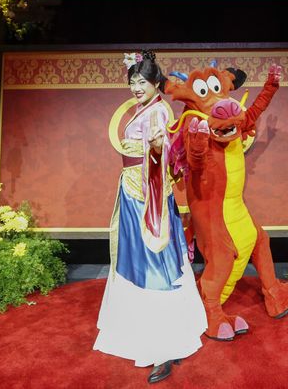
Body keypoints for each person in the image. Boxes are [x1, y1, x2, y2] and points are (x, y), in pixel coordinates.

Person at [94, 50, 206, 384]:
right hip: (134, 192)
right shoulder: (145, 108)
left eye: (142, 82)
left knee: (152, 263)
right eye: (133, 82)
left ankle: (163, 346)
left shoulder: (157, 111)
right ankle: (154, 332)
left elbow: (159, 155)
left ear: (156, 83)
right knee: (139, 262)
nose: (136, 88)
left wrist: (158, 150)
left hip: (147, 198)